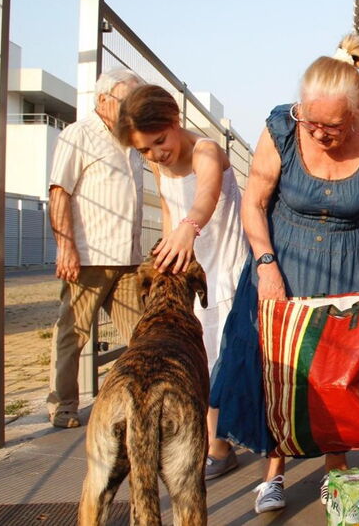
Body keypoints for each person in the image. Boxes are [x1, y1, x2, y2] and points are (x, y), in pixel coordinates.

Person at [239, 33, 359, 514]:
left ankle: (335, 470)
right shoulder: (281, 127)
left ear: (356, 110)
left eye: (331, 126)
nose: (318, 133)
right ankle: (273, 474)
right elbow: (254, 202)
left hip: (346, 262)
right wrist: (265, 266)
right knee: (281, 369)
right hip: (286, 257)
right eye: (311, 121)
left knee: (339, 369)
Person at [114, 84, 249, 480]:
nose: (155, 154)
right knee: (199, 362)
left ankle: (223, 444)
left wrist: (190, 227)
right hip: (192, 276)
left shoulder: (205, 150)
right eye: (144, 150)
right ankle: (215, 444)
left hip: (224, 268)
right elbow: (173, 211)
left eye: (159, 141)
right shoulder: (159, 163)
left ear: (175, 122)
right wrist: (167, 263)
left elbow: (203, 198)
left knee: (225, 361)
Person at [46, 68, 145, 428]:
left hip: (128, 259)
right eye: (127, 100)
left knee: (141, 334)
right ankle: (63, 405)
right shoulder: (78, 134)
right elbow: (59, 192)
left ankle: (138, 400)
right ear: (104, 100)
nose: (133, 107)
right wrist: (65, 247)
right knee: (72, 332)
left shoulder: (131, 140)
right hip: (88, 257)